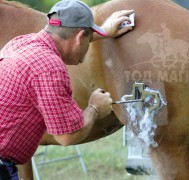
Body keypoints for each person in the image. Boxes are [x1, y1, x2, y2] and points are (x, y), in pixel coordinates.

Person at [0, 0, 134, 179]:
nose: (87, 47)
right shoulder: (49, 68)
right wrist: (94, 108)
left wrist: (103, 31)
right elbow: (67, 136)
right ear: (79, 37)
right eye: (88, 38)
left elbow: (67, 38)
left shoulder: (19, 43)